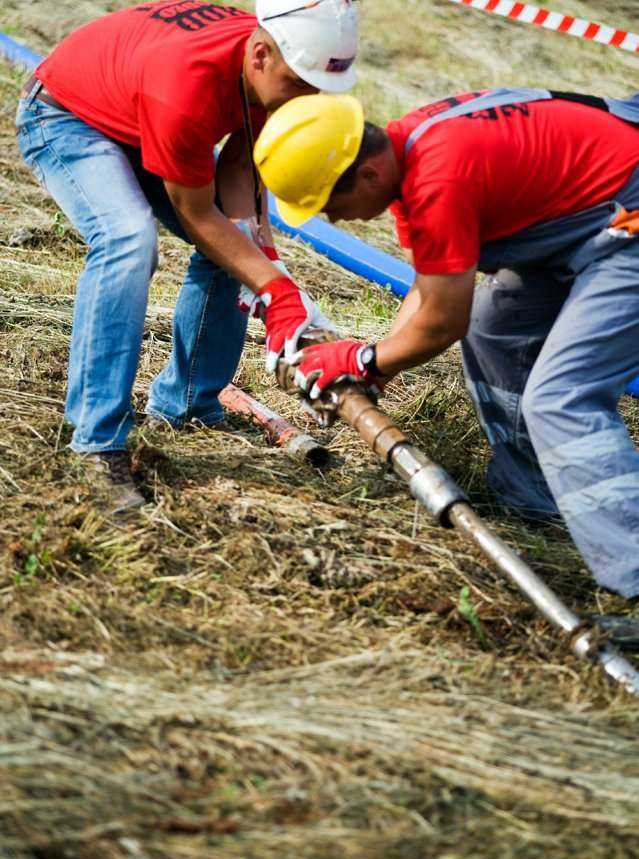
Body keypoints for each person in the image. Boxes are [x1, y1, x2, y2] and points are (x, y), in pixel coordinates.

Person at [255, 88, 639, 599]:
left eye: (330, 204)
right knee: (494, 324)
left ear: (367, 175)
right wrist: (375, 367)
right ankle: (535, 494)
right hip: (594, 213)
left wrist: (362, 358)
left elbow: (441, 322)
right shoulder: (409, 149)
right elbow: (430, 288)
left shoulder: (439, 178)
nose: (334, 221)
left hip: (626, 222)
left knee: (562, 396)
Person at [15, 0, 360, 512]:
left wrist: (266, 268)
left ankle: (188, 404)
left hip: (142, 116)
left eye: (322, 87)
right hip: (68, 116)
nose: (309, 98)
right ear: (261, 55)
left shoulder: (283, 62)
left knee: (238, 258)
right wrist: (275, 290)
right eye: (301, 83)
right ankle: (96, 441)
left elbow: (245, 173)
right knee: (128, 238)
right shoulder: (189, 85)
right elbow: (197, 213)